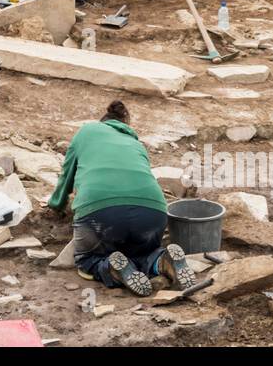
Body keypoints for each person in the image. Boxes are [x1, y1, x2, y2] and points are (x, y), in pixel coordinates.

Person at [47, 101, 194, 297]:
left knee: (86, 258)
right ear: (125, 127)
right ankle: (161, 260)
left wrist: (55, 205)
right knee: (142, 252)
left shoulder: (86, 132)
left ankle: (110, 267)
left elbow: (66, 177)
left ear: (103, 122)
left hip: (100, 215)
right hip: (153, 211)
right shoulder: (136, 144)